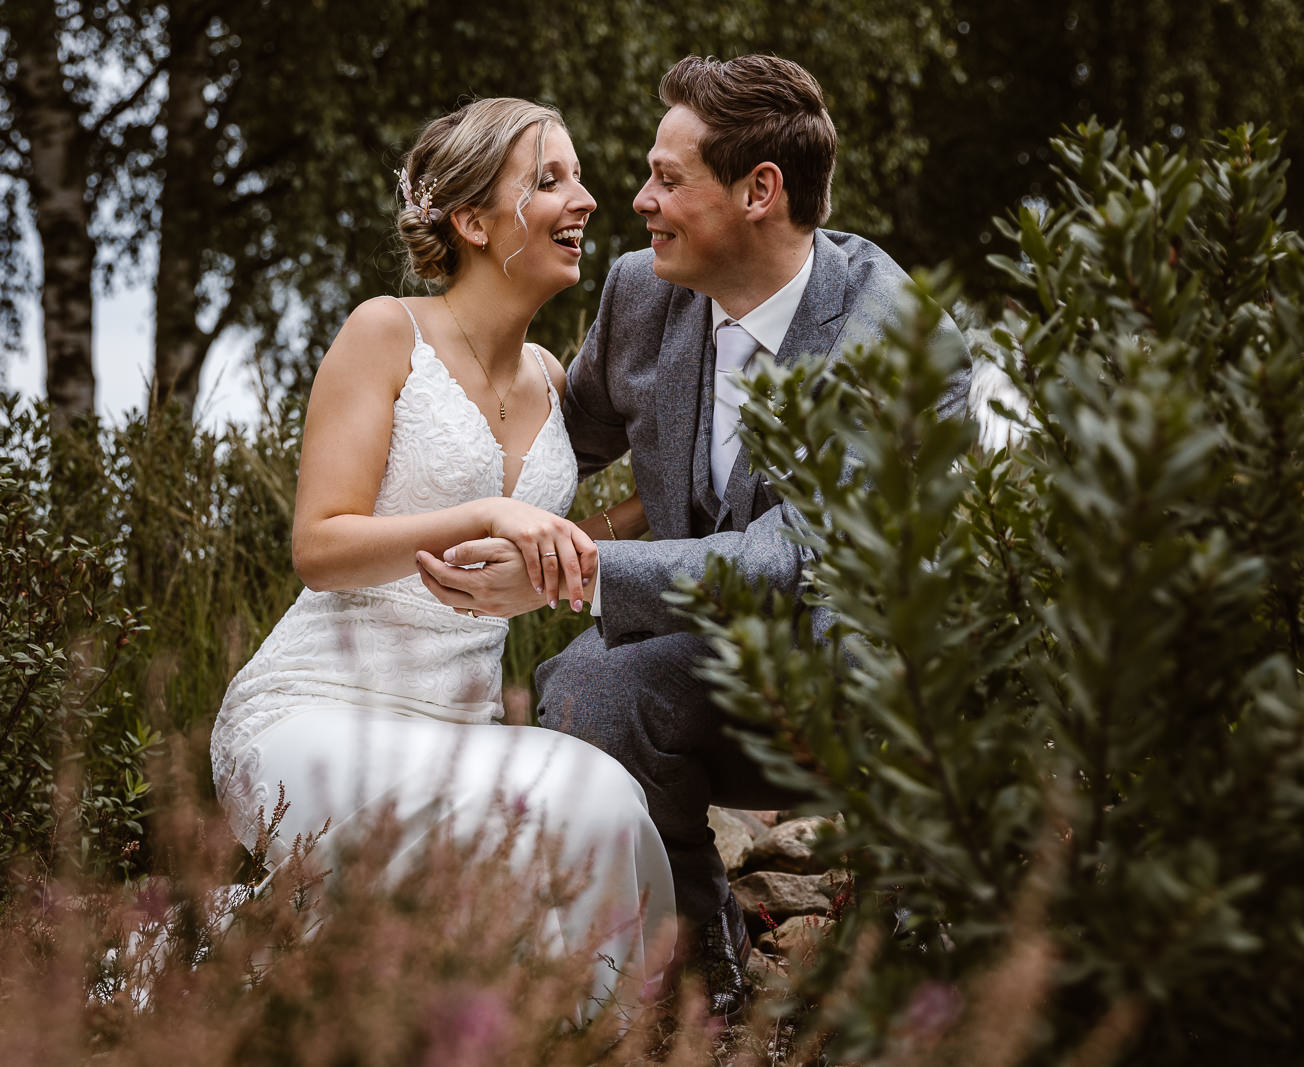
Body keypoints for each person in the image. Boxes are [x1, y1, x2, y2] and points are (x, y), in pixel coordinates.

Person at [417, 56, 971, 1017]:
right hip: (713, 664)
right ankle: (699, 950)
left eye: (670, 180)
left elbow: (784, 561)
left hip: (867, 680)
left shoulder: (888, 332)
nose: (638, 201)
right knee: (588, 683)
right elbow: (562, 439)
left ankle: (901, 957)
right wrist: (426, 386)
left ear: (762, 191)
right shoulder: (644, 294)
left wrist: (564, 569)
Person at [208, 97, 675, 1012]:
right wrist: (489, 509)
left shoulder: (552, 376)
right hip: (316, 711)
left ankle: (562, 1032)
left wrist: (676, 505)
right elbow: (319, 545)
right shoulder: (386, 332)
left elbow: (561, 539)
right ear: (470, 221)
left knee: (606, 800)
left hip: (462, 731)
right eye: (549, 180)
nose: (585, 199)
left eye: (578, 176)